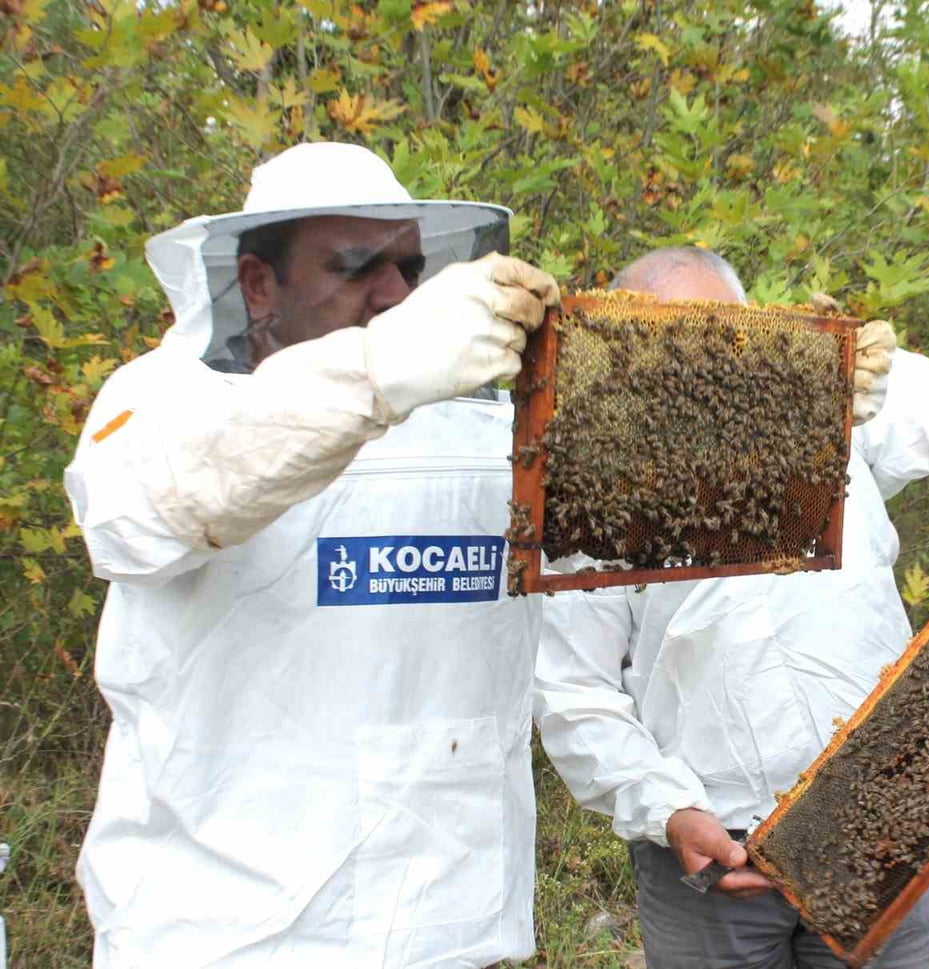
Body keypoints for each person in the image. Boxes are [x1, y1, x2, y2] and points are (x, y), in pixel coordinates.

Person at [63, 142, 560, 968]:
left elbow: (633, 557)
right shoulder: (161, 402)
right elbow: (146, 511)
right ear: (259, 282)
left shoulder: (486, 435)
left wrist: (845, 429)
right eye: (358, 264)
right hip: (226, 934)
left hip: (449, 925)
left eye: (407, 265)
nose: (395, 293)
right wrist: (376, 374)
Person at [534, 246, 929, 968]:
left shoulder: (838, 399)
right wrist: (671, 811)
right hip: (709, 858)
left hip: (880, 824)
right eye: (671, 341)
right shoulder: (593, 490)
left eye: (724, 334)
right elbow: (573, 689)